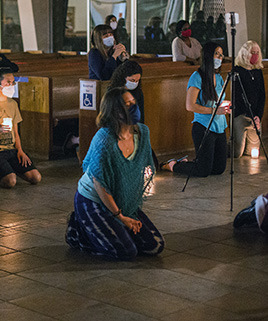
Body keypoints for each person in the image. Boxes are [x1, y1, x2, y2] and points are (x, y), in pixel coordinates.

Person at [65, 87, 164, 260]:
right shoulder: (104, 140)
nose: (134, 106)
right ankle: (78, 232)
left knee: (154, 245)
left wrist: (128, 210)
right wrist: (121, 217)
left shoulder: (142, 132)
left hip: (122, 199)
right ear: (115, 111)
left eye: (133, 102)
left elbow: (141, 168)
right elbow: (100, 184)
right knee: (126, 252)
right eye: (127, 104)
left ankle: (114, 230)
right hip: (94, 200)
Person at [161, 43, 230, 177]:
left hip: (219, 126)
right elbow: (190, 105)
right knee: (203, 171)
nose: (220, 58)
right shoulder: (197, 77)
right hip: (203, 126)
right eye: (217, 54)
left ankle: (194, 162)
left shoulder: (219, 78)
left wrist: (226, 105)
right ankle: (173, 165)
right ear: (208, 55)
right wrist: (214, 111)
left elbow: (217, 101)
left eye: (221, 55)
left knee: (218, 169)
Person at [0, 67, 41, 187]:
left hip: (11, 150)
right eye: (8, 83)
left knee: (36, 177)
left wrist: (20, 150)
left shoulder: (12, 104)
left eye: (13, 82)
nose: (12, 85)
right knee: (10, 182)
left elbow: (16, 132)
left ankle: (8, 169)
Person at [232, 41, 265, 158]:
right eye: (252, 53)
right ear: (245, 53)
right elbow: (237, 96)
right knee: (237, 153)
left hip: (254, 116)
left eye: (257, 53)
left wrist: (258, 116)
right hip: (240, 114)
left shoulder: (258, 72)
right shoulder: (237, 71)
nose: (255, 55)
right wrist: (248, 115)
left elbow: (262, 96)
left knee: (252, 150)